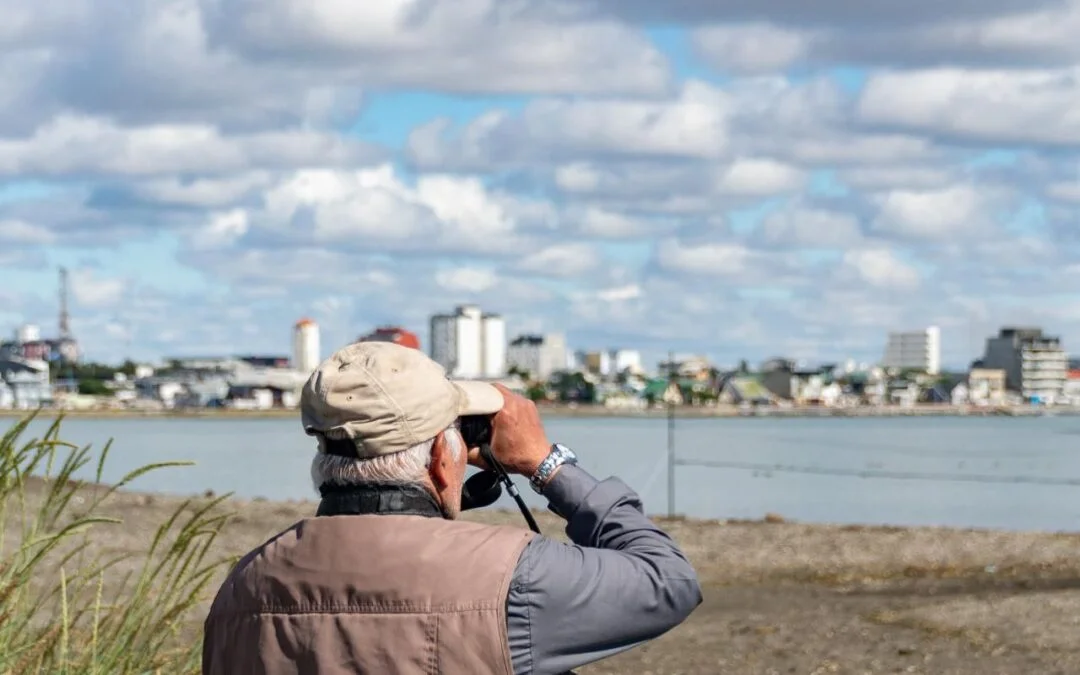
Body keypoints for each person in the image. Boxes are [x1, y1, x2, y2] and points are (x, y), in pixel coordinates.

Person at [202, 341, 702, 675]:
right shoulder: (512, 576)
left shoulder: (244, 586)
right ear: (444, 458)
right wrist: (544, 463)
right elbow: (670, 582)